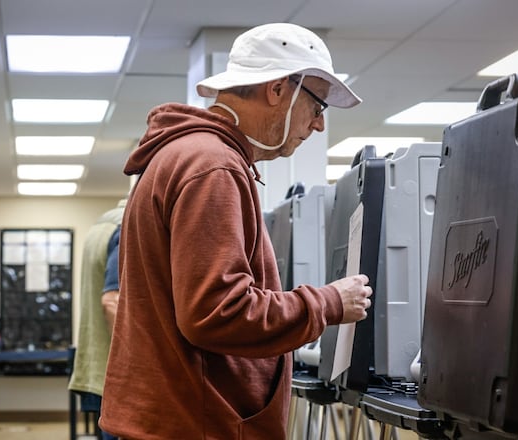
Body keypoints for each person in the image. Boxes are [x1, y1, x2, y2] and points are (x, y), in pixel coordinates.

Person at [99, 23, 373, 439]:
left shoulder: (190, 156)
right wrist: (328, 303)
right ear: (278, 89)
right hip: (198, 424)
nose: (318, 125)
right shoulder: (212, 167)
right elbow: (217, 313)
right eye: (318, 106)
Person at [68, 199, 125, 440]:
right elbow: (112, 301)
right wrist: (131, 364)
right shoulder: (126, 226)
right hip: (119, 370)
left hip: (98, 362)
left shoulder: (103, 223)